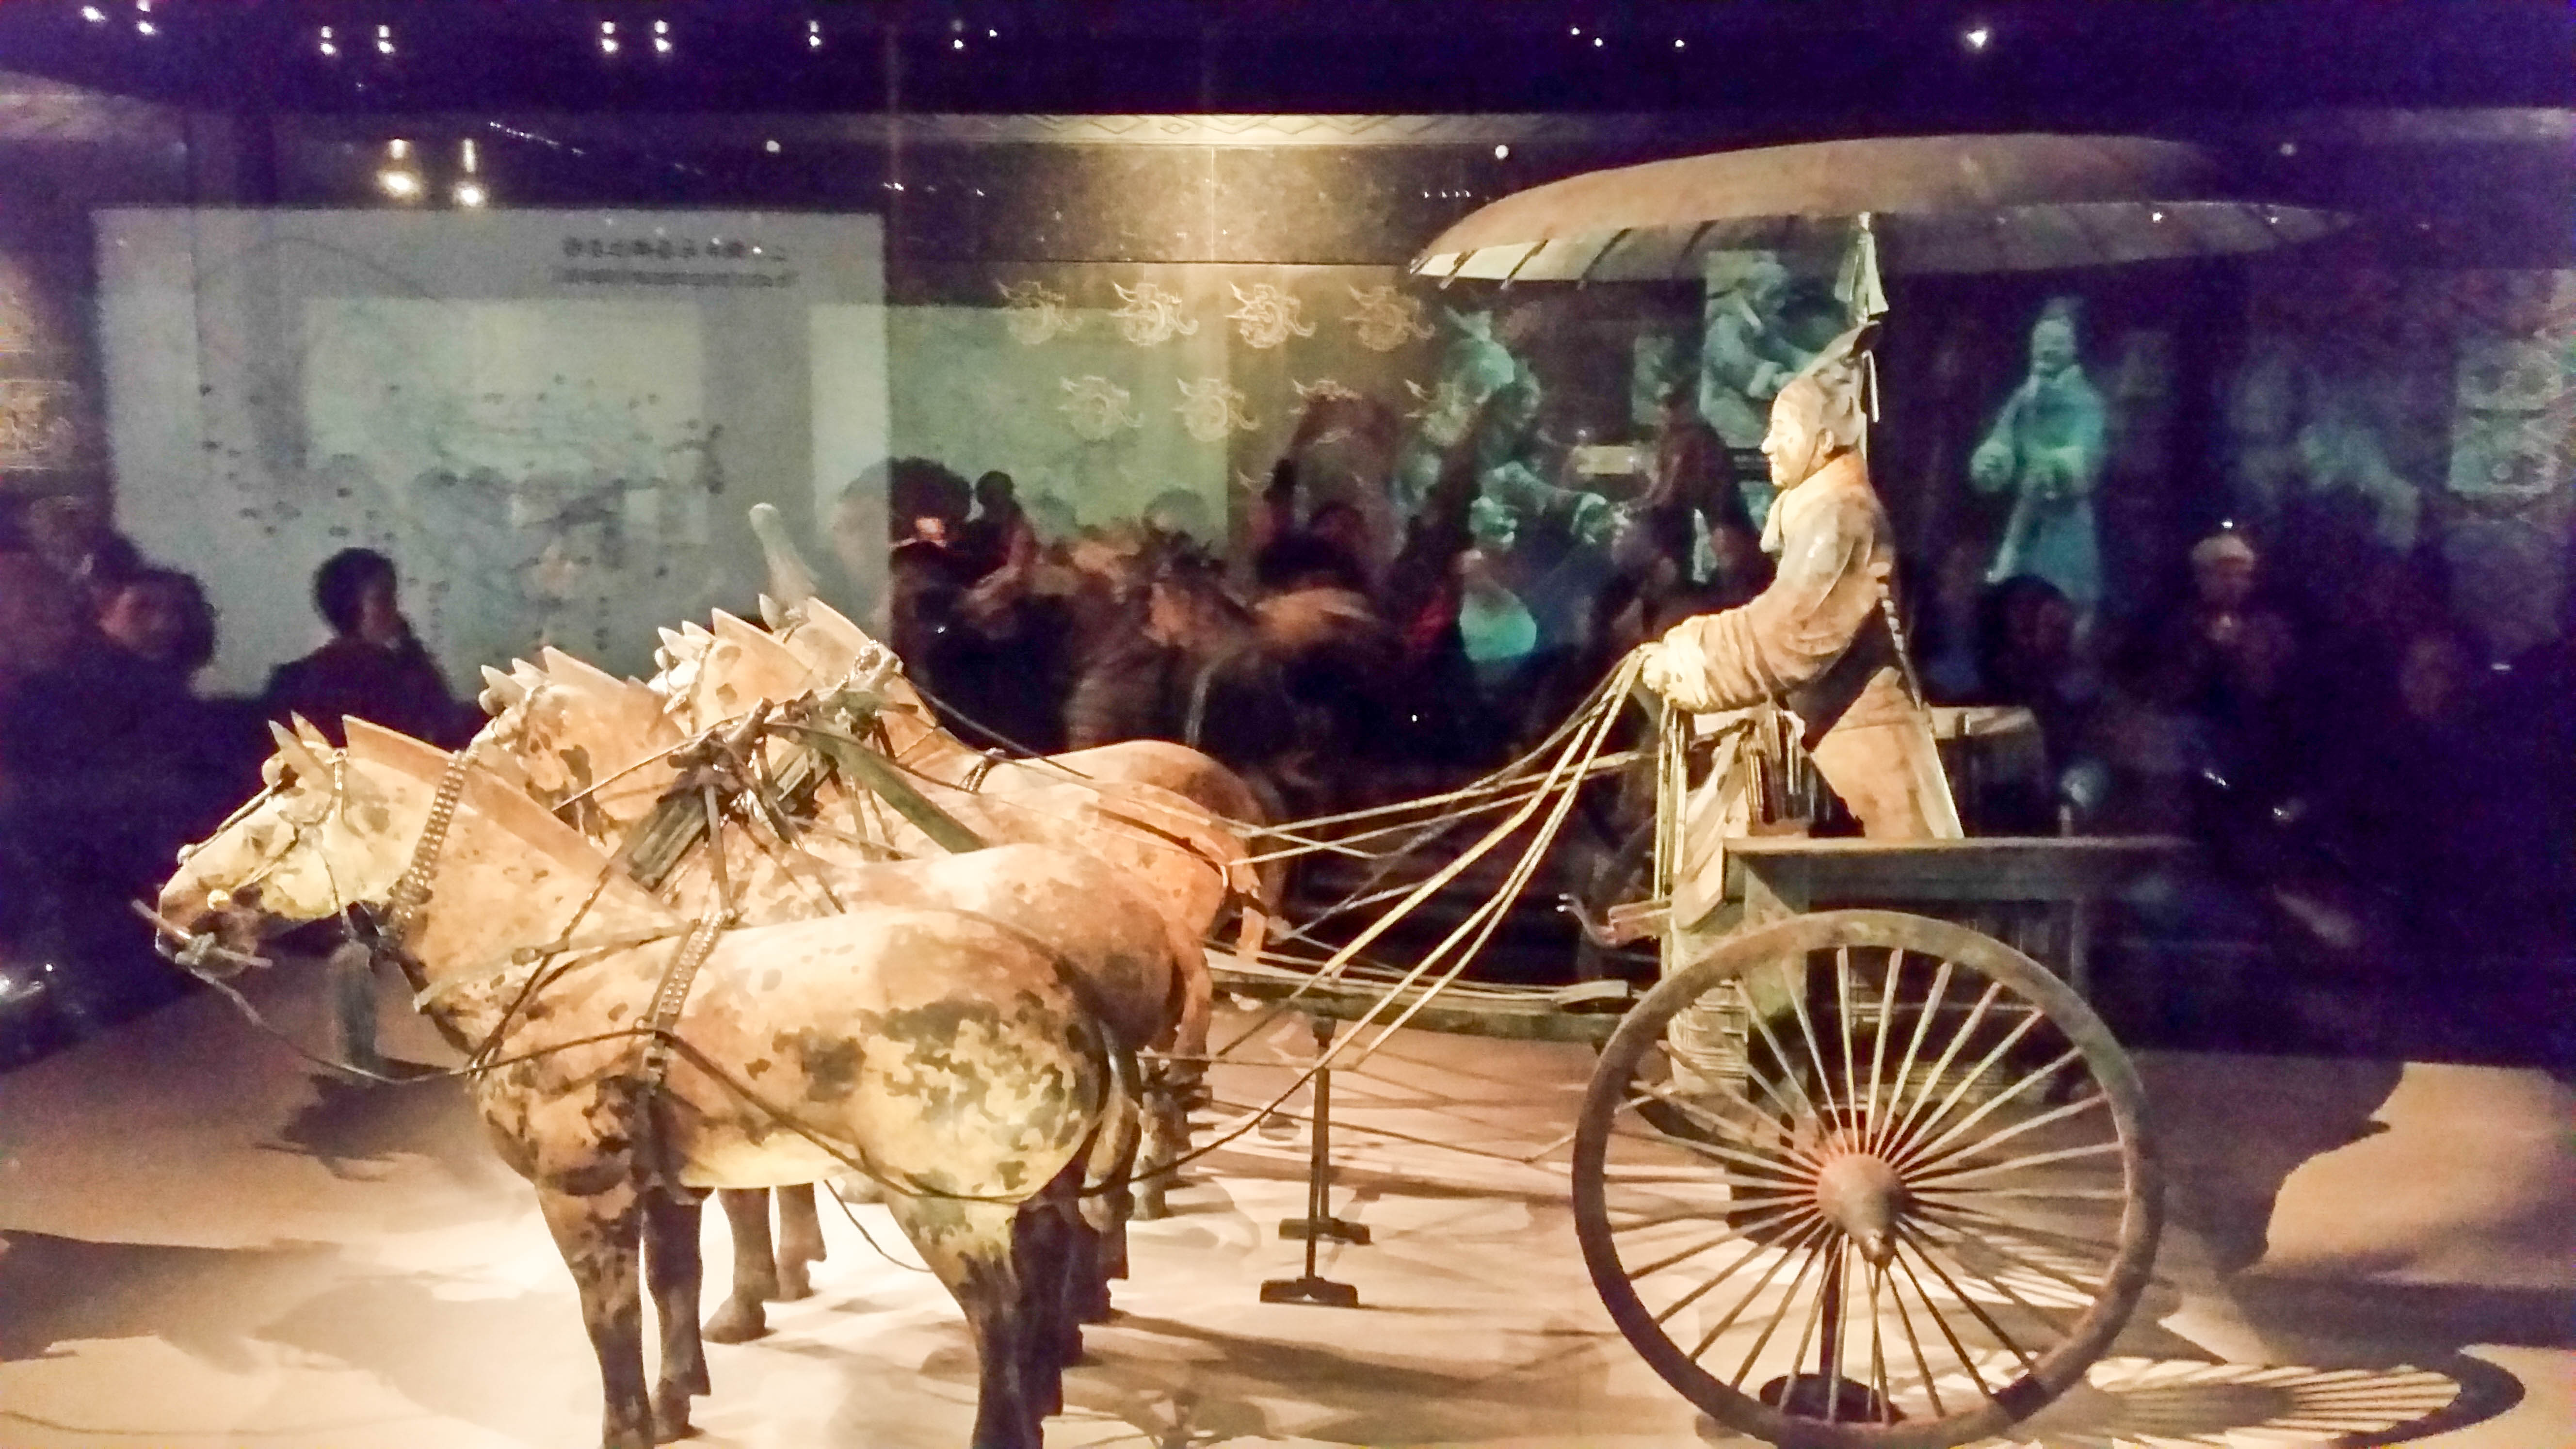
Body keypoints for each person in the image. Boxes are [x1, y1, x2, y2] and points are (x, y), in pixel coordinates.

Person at [1637, 324, 1955, 842]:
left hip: (1870, 760)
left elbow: (1792, 634)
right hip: (1839, 749)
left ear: (1825, 441)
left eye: (1783, 433)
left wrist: (1693, 656)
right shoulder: (1825, 515)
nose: (1767, 445)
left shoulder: (1844, 518)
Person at [1971, 297, 2109, 619]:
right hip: (2024, 517)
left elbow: (2086, 453)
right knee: (2013, 600)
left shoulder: (2086, 402)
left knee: (2061, 600)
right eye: (2041, 342)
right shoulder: (2024, 398)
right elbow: (2003, 438)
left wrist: (2058, 466)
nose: (2047, 350)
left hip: (2065, 522)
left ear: (2075, 348)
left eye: (2057, 343)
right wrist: (1994, 459)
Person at [264, 548, 474, 748]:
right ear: (351, 607)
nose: (396, 612)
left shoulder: (406, 665)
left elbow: (449, 728)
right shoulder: (314, 682)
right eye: (383, 600)